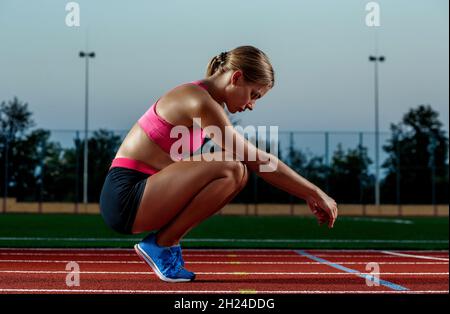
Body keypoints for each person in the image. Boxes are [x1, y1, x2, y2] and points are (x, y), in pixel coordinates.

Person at [99, 45, 338, 283]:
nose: (251, 105)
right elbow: (259, 161)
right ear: (236, 77)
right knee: (233, 167)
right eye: (254, 94)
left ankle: (162, 244)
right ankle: (162, 245)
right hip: (126, 197)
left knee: (236, 171)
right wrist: (314, 192)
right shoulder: (197, 100)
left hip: (149, 193)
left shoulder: (209, 102)